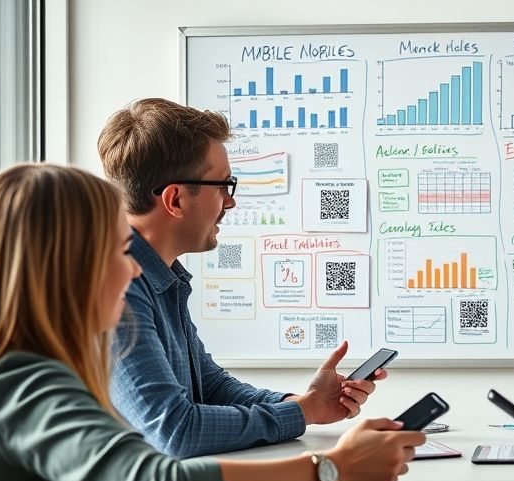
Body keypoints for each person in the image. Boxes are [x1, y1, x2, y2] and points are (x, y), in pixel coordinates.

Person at [0, 164, 425, 481]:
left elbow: (208, 385)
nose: (131, 269)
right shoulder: (21, 383)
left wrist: (303, 405)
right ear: (65, 268)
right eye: (116, 251)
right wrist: (335, 468)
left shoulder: (28, 371)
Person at [97, 98, 382, 458]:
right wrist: (303, 412)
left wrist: (303, 402)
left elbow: (209, 386)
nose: (230, 203)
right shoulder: (115, 285)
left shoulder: (160, 277)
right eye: (223, 186)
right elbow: (174, 429)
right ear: (176, 200)